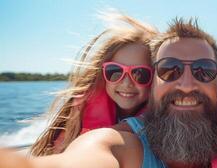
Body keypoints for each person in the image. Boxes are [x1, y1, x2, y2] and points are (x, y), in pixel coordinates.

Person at [0, 18, 217, 168]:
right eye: (168, 70)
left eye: (204, 70)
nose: (186, 84)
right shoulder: (119, 146)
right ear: (155, 83)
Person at [30, 14, 157, 156]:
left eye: (140, 74)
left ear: (156, 77)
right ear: (102, 73)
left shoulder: (161, 120)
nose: (127, 83)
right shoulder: (78, 112)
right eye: (114, 71)